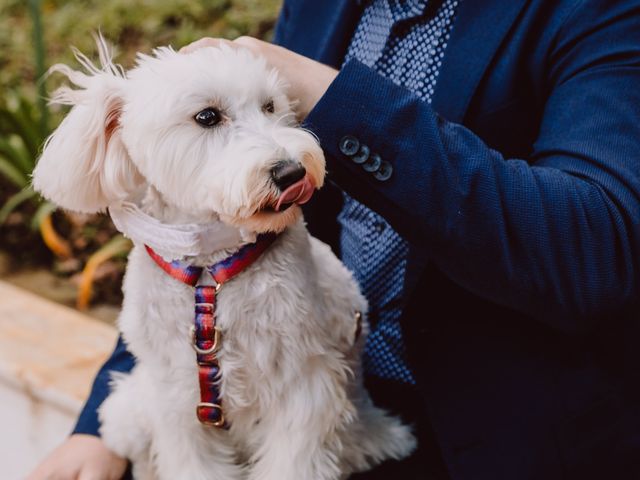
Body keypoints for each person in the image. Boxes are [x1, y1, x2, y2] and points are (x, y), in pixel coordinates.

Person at [29, 0, 640, 479]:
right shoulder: (321, 3)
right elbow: (187, 239)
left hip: (491, 431)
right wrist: (95, 429)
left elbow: (593, 253)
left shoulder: (599, 11)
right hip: (250, 403)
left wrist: (332, 97)